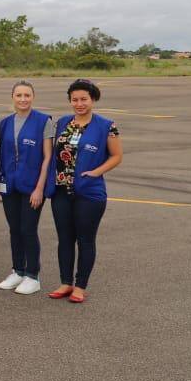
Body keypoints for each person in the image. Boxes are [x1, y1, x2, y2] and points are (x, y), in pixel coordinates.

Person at [45, 80, 123, 303]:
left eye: (83, 99)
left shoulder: (107, 126)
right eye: (75, 99)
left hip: (89, 193)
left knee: (85, 240)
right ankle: (65, 282)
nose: (79, 104)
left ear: (93, 99)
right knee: (65, 239)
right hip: (61, 191)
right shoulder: (62, 123)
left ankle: (80, 286)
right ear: (70, 101)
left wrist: (96, 172)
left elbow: (116, 156)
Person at [0, 81, 53, 296]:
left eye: (27, 95)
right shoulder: (6, 123)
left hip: (31, 186)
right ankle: (17, 270)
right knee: (14, 229)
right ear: (12, 97)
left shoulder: (43, 122)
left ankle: (32, 275)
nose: (23, 99)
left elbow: (47, 158)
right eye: (18, 95)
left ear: (33, 97)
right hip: (9, 185)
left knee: (28, 229)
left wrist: (39, 189)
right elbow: (2, 156)